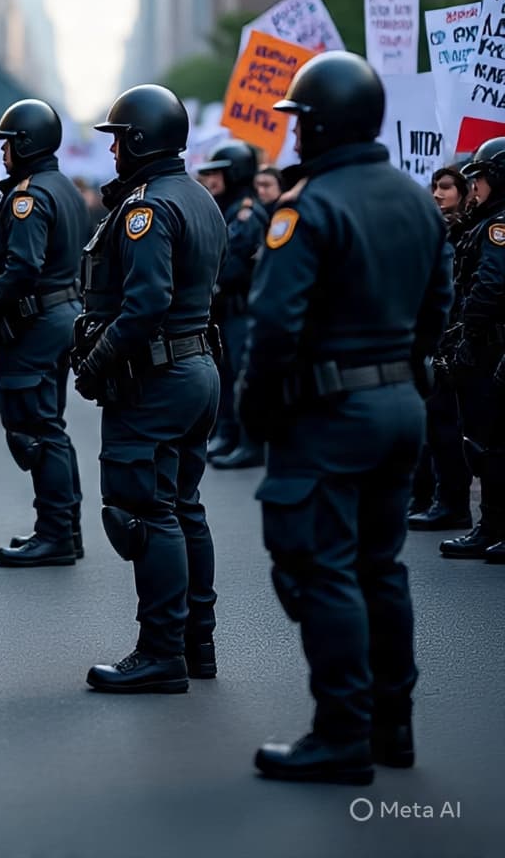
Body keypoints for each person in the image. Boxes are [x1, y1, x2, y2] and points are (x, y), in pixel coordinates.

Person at [238, 52, 453, 784]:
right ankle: (393, 727)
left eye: (300, 122)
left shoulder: (308, 206)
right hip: (401, 408)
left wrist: (255, 413)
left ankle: (341, 736)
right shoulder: (418, 199)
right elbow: (438, 312)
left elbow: (272, 329)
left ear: (322, 124)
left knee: (321, 571)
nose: (294, 137)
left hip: (329, 414)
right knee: (380, 570)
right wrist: (405, 378)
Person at [72, 85, 224, 693]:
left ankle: (161, 653)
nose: (110, 151)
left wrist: (95, 365)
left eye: (116, 138)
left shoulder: (148, 209)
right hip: (195, 369)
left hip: (157, 377)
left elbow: (145, 305)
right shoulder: (199, 198)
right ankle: (197, 644)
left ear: (139, 140)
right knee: (183, 506)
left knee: (143, 511)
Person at [0, 99, 84, 568]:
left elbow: (22, 268)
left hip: (34, 325)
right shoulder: (66, 188)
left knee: (33, 432)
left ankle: (55, 534)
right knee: (49, 428)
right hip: (59, 317)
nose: (3, 152)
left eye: (8, 143)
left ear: (27, 143)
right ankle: (63, 530)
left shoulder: (28, 196)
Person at [439, 138, 505, 563]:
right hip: (482, 346)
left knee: (490, 442)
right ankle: (491, 525)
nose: (473, 187)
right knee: (481, 440)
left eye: (478, 178)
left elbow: (491, 285)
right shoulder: (482, 223)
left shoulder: (499, 227)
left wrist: (468, 335)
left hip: (488, 348)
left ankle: (492, 526)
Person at [196, 141, 268, 470]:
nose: (210, 180)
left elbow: (231, 263)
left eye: (217, 173)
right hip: (224, 309)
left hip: (242, 309)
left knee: (241, 374)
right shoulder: (224, 208)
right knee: (225, 374)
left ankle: (250, 441)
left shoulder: (247, 212)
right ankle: (227, 433)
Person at [408, 165, 471, 531]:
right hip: (438, 339)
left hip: (458, 341)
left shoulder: (473, 231)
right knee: (432, 424)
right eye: (434, 186)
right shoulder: (439, 231)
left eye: (446, 187)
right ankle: (430, 497)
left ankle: (452, 504)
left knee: (450, 427)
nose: (436, 193)